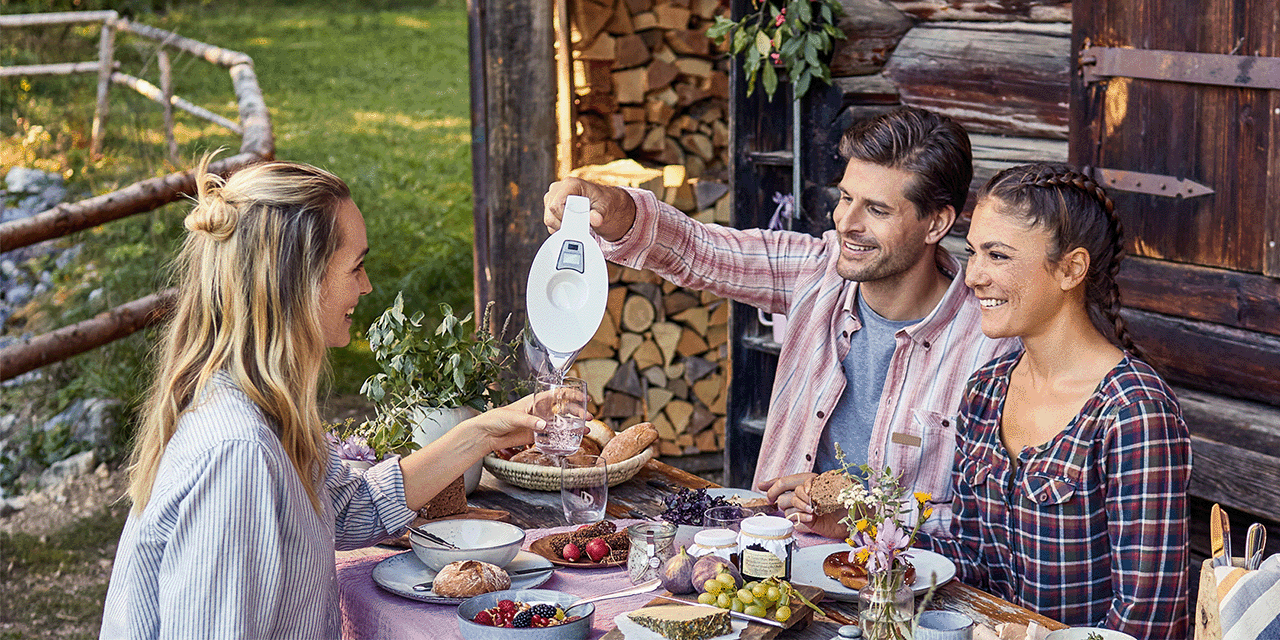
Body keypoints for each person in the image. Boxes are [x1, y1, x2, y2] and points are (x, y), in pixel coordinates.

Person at [100, 157, 546, 639]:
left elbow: (352, 509)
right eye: (356, 266)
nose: (367, 285)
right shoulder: (239, 454)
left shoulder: (260, 405)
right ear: (298, 282)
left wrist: (480, 433)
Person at [543, 107, 1017, 537]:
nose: (845, 223)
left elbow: (991, 518)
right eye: (845, 197)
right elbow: (698, 250)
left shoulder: (991, 342)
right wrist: (612, 205)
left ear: (936, 224)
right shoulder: (816, 269)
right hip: (770, 569)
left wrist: (862, 515)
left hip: (898, 598)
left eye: (876, 210)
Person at [921, 163, 1190, 637]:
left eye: (998, 256)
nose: (973, 276)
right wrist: (864, 528)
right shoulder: (985, 390)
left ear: (1071, 269)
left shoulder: (1132, 413)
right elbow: (972, 560)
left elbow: (1147, 620)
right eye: (973, 253)